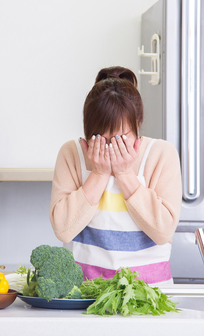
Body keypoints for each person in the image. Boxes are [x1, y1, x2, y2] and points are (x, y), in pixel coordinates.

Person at [50, 66, 182, 285]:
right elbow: (63, 230)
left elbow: (162, 232)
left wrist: (124, 173)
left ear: (138, 125)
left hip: (149, 294)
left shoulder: (161, 154)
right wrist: (99, 173)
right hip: (84, 292)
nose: (111, 148)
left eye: (121, 138)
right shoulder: (71, 153)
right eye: (101, 139)